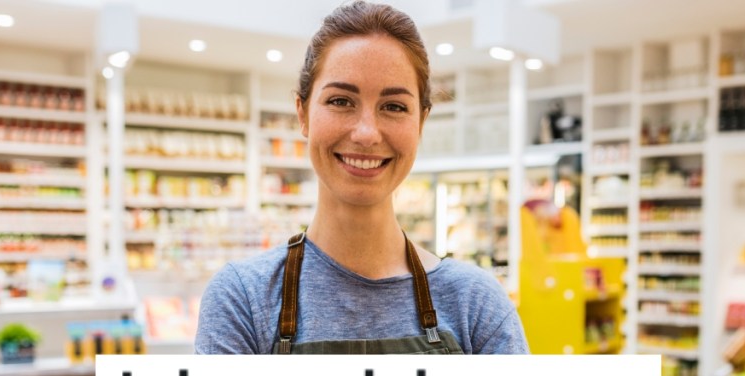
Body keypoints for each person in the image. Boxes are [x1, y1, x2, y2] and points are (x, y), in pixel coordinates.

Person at [195, 0, 528, 354]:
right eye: (341, 101)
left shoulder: (476, 306)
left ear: (421, 123)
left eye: (394, 107)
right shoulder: (243, 300)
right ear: (302, 114)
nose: (367, 133)